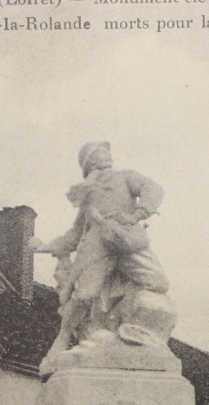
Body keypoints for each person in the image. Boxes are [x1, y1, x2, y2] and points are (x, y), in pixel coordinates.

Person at [35, 141, 171, 363]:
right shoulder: (88, 193)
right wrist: (47, 246)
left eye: (105, 151)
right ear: (90, 163)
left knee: (158, 282)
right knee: (85, 295)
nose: (105, 155)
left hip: (128, 240)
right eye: (98, 152)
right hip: (98, 245)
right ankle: (63, 336)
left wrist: (136, 215)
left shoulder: (126, 177)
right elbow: (76, 232)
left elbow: (152, 189)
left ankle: (122, 326)